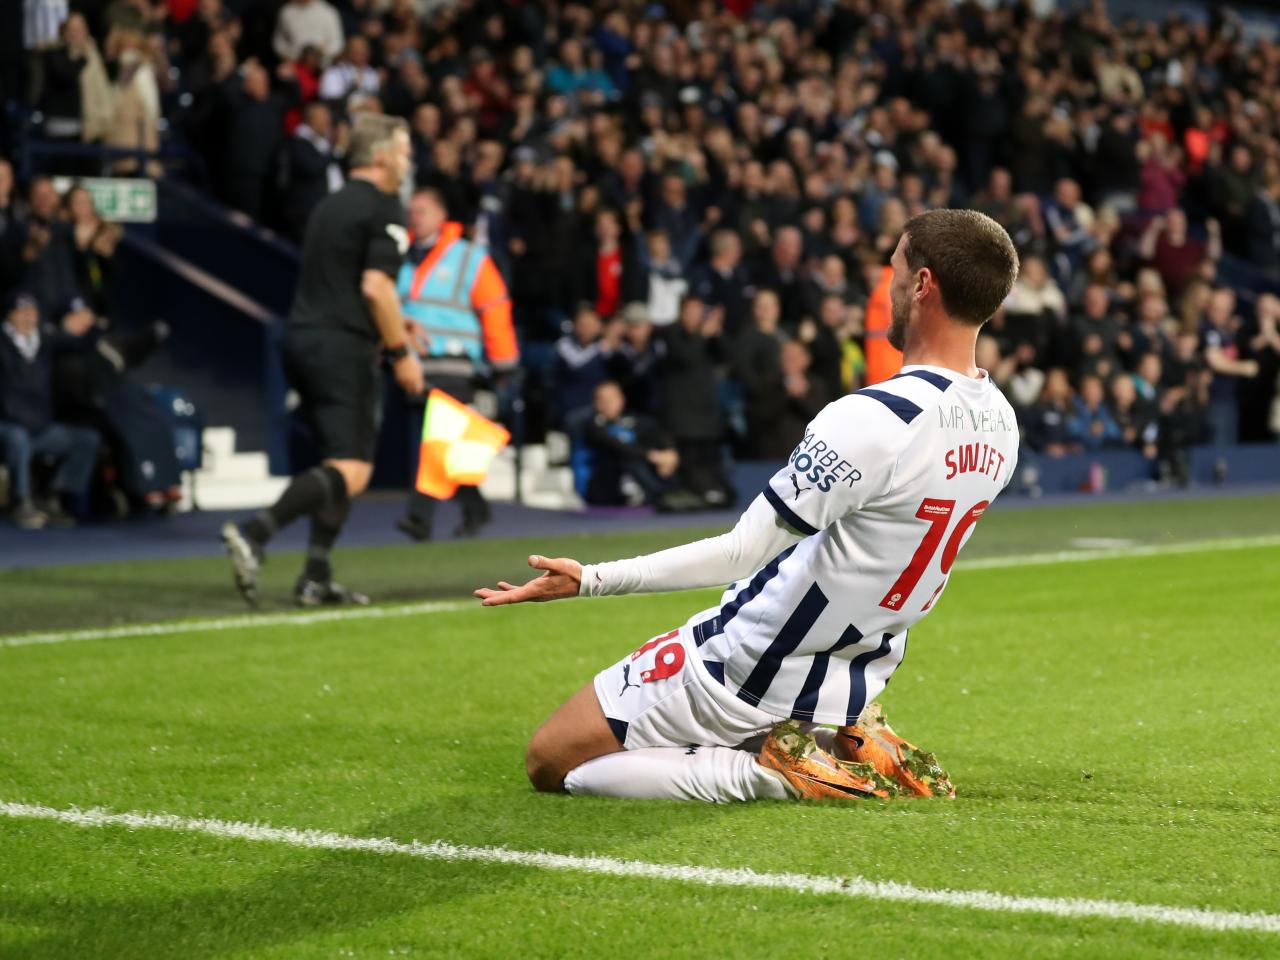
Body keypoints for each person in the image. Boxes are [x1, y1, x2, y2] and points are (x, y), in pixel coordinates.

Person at [473, 209, 1021, 804]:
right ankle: (843, 729)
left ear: (921, 285)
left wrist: (592, 580)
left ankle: (770, 771)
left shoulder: (875, 417)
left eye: (892, 268)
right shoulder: (1001, 423)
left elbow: (741, 553)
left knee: (552, 760)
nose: (884, 286)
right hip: (853, 674)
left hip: (748, 667)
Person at [221, 114, 424, 607]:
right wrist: (401, 353)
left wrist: (396, 325)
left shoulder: (329, 205)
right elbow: (375, 287)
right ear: (380, 157)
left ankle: (315, 576)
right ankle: (255, 533)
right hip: (341, 347)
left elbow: (343, 282)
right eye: (403, 151)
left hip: (304, 340)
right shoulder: (383, 205)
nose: (408, 160)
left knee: (337, 463)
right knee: (352, 469)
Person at [395, 187, 517, 542]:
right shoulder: (402, 255)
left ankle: (419, 516)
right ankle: (476, 508)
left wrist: (503, 361)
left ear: (441, 214)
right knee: (444, 443)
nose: (415, 217)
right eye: (412, 211)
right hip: (414, 364)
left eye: (422, 210)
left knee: (435, 441)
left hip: (455, 364)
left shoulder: (467, 256)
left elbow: (494, 307)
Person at [0, 291, 102, 529]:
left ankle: (52, 497)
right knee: (18, 438)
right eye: (22, 312)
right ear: (9, 316)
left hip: (39, 427)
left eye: (31, 312)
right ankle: (21, 502)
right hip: (7, 426)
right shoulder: (3, 344)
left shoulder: (44, 340)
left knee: (86, 440)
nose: (28, 317)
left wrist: (95, 326)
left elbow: (77, 342)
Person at [580, 380, 678, 507]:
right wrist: (654, 456)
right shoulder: (592, 425)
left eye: (613, 398)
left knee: (665, 454)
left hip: (638, 472)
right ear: (597, 403)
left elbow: (657, 434)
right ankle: (659, 493)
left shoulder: (635, 421)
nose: (610, 404)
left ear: (622, 399)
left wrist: (669, 452)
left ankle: (674, 490)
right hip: (604, 482)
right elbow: (618, 446)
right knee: (629, 458)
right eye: (605, 400)